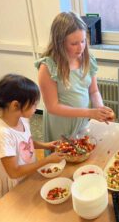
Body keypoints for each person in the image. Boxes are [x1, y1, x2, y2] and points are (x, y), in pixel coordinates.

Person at [0, 74, 64, 200]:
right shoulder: (3, 134)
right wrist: (47, 160)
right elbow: (14, 172)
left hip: (29, 175)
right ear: (15, 105)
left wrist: (45, 145)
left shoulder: (22, 119)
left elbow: (25, 142)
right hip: (14, 189)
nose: (36, 109)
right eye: (34, 105)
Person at [35, 12, 114, 142]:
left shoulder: (87, 59)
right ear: (60, 43)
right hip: (61, 124)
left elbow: (93, 91)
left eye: (83, 41)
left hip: (82, 121)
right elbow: (52, 107)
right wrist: (89, 112)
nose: (81, 47)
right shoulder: (48, 67)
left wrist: (100, 108)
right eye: (74, 43)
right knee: (64, 158)